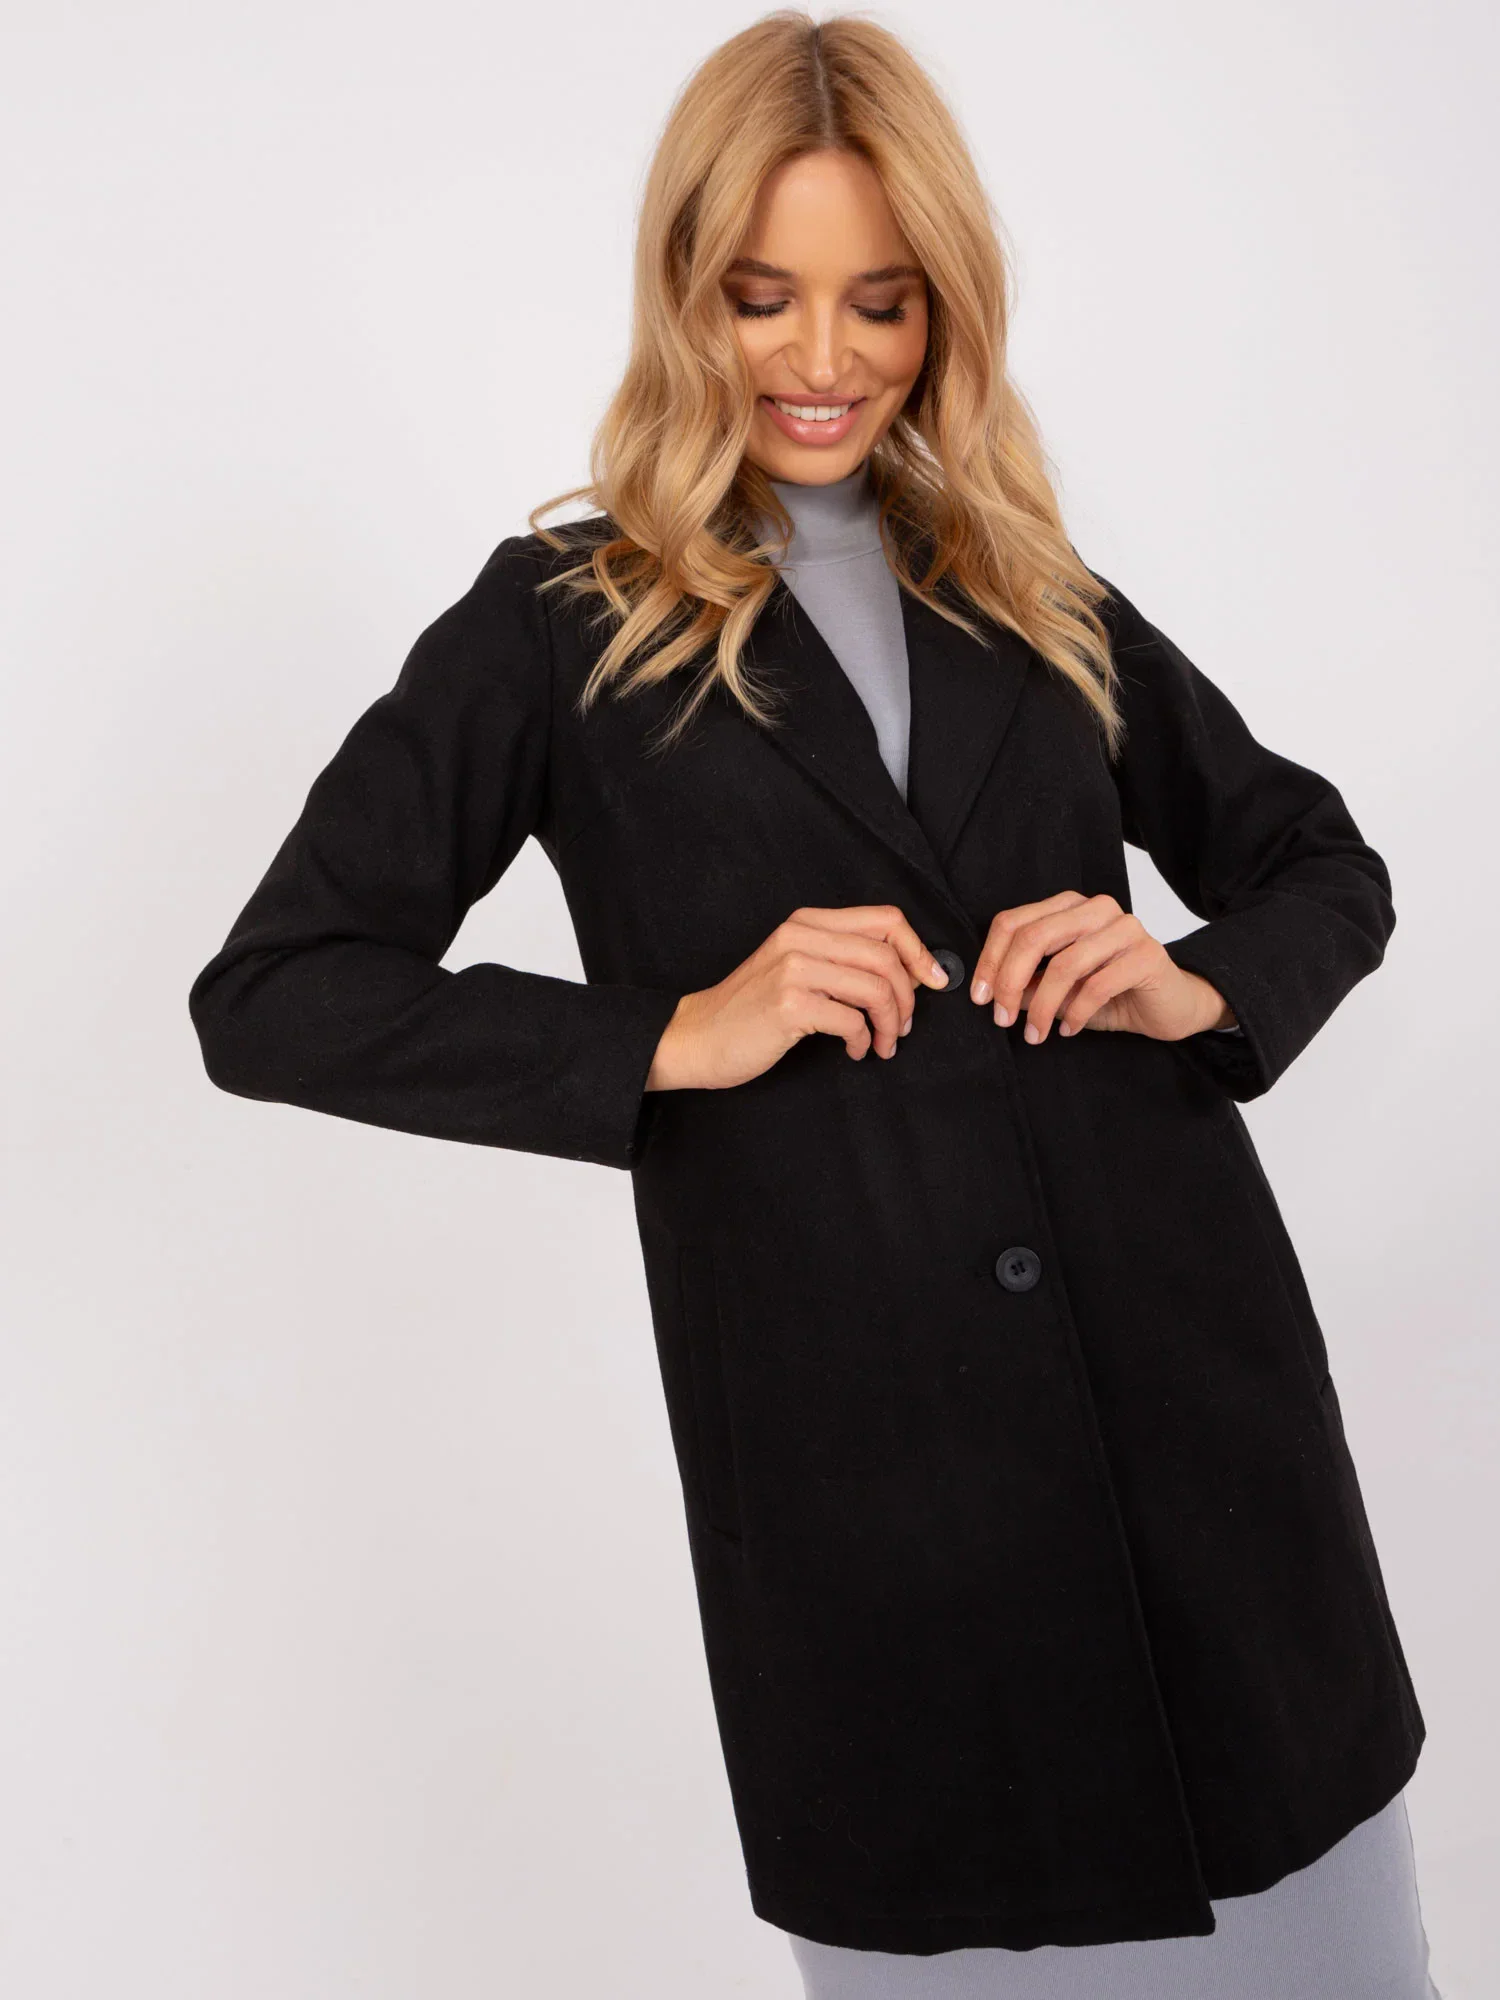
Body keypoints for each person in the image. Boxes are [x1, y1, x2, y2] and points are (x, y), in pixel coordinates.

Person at [187, 13, 1440, 1996]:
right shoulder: (559, 626)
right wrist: (671, 1032)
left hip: (1213, 1476)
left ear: (945, 305)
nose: (825, 357)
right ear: (685, 285)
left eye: (882, 299)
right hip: (885, 1543)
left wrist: (1194, 980)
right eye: (764, 295)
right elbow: (272, 992)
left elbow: (1322, 861)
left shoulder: (1029, 586)